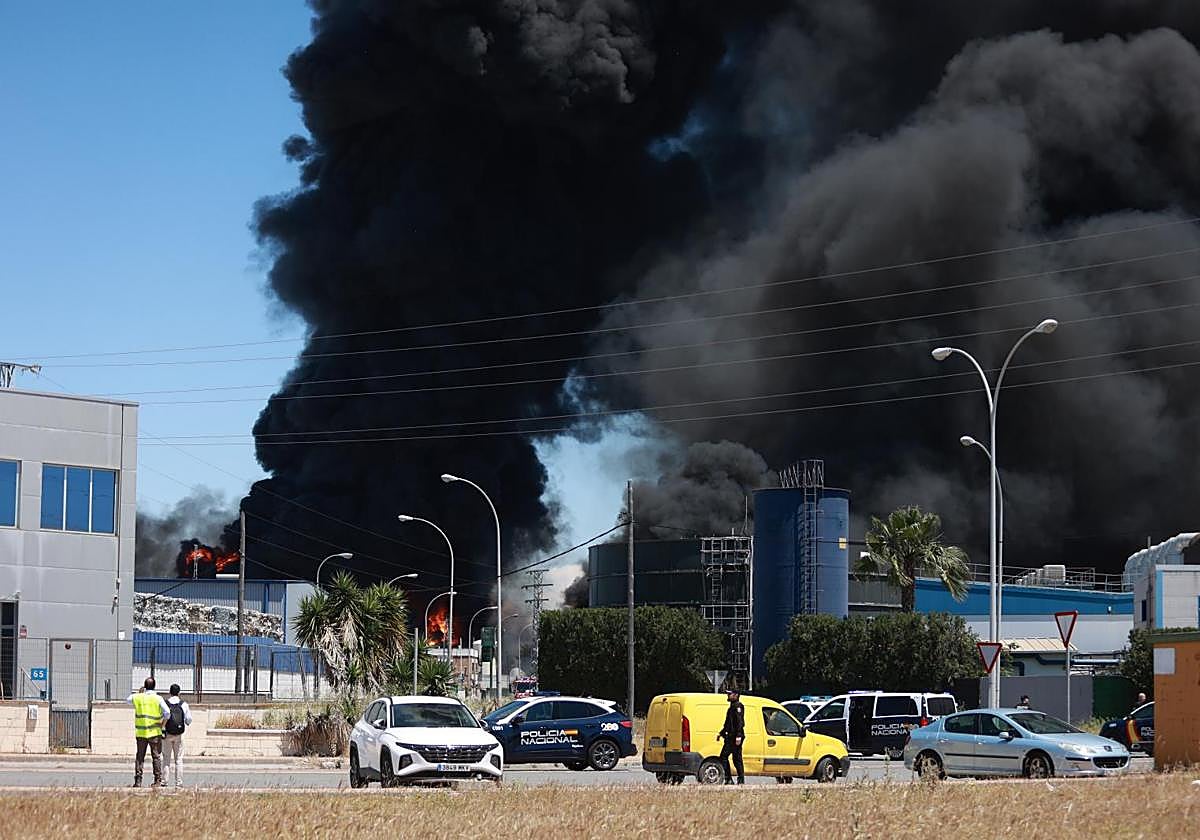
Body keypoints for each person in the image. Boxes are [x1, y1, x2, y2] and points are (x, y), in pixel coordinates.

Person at [127, 677, 169, 788]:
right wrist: (162, 724)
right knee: (156, 756)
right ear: (154, 686)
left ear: (145, 686)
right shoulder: (158, 698)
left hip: (141, 732)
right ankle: (157, 780)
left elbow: (128, 699)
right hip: (155, 732)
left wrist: (139, 692)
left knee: (140, 757)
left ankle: (138, 781)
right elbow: (167, 713)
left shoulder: (138, 697)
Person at [162, 684, 193, 789]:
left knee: (166, 758)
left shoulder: (165, 703)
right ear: (179, 693)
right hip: (179, 735)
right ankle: (178, 783)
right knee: (178, 759)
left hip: (167, 734)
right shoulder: (183, 704)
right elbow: (189, 720)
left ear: (169, 692)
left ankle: (164, 781)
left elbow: (162, 717)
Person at [717, 688, 745, 785]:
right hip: (730, 736)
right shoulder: (732, 707)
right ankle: (733, 779)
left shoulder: (738, 706)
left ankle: (733, 779)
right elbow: (729, 723)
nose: (728, 696)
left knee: (727, 757)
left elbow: (739, 723)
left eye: (730, 694)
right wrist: (722, 732)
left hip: (735, 737)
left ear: (736, 695)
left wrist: (738, 736)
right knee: (734, 758)